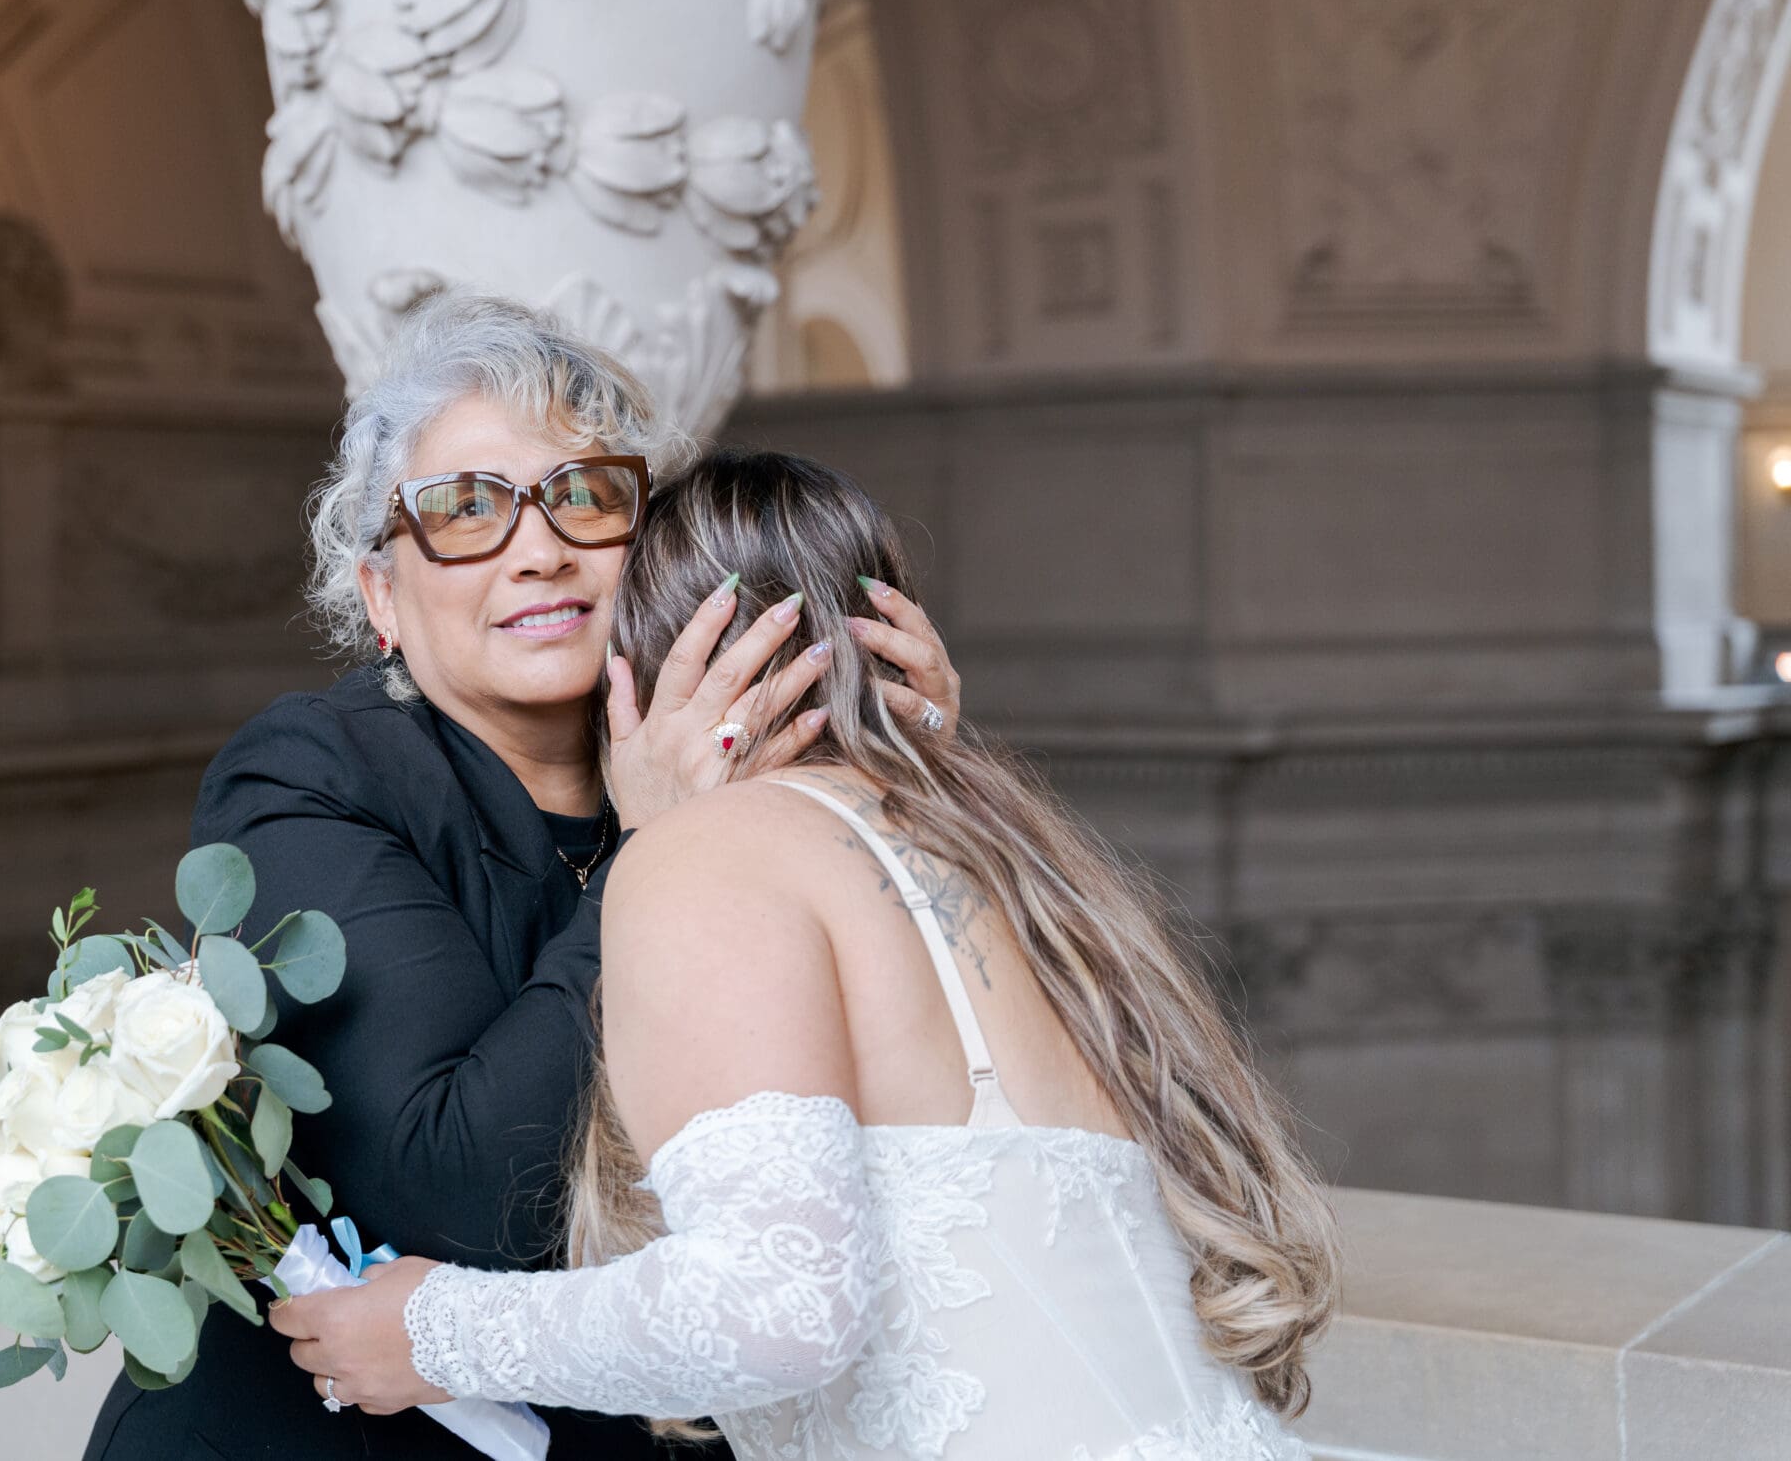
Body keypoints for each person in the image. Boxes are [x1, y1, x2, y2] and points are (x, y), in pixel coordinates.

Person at [269, 450, 1342, 1459]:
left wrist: (434, 1333)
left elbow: (778, 1312)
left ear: (641, 666)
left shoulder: (702, 854)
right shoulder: (1010, 844)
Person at [85, 298, 961, 1461]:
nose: (536, 547)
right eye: (462, 511)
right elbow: (454, 1192)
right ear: (384, 595)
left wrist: (904, 780)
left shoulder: (716, 766)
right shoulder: (308, 775)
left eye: (583, 496)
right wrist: (658, 845)